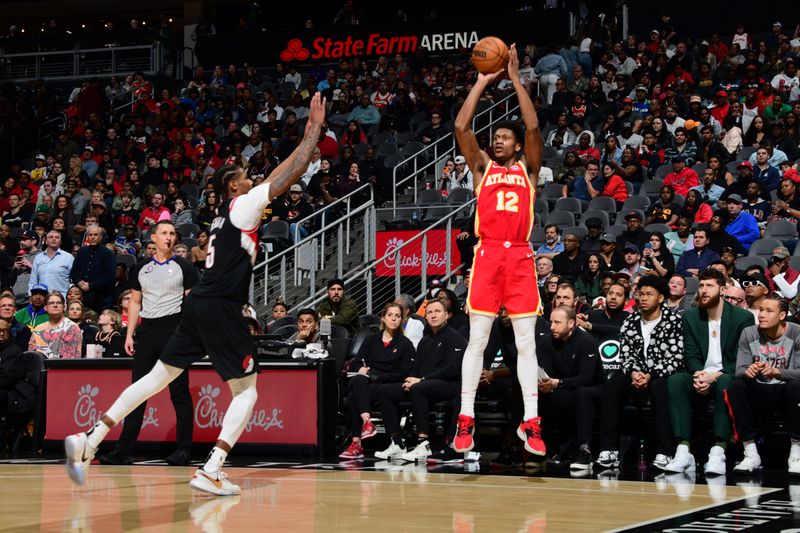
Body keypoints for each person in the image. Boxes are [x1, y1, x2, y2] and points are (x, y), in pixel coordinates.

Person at [64, 91, 327, 496]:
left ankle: (91, 438)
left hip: (197, 305)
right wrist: (312, 131)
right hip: (220, 306)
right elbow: (286, 174)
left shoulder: (225, 217)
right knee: (247, 389)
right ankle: (212, 467)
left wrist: (307, 138)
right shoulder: (242, 206)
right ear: (232, 185)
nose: (250, 176)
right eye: (243, 174)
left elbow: (278, 174)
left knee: (156, 378)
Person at [452, 44, 546, 457]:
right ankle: (466, 417)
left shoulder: (529, 170)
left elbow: (534, 129)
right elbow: (460, 128)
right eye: (497, 138)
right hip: (488, 254)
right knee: (478, 340)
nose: (501, 141)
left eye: (506, 137)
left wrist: (515, 80)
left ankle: (531, 421)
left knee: (527, 343)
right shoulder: (481, 169)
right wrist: (481, 81)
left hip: (521, 256)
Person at [97, 221, 198, 466]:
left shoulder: (184, 266)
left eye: (172, 233)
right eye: (164, 233)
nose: (168, 237)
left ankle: (184, 450)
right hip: (147, 331)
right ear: (153, 237)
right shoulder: (141, 268)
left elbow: (193, 303)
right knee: (137, 392)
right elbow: (135, 303)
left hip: (174, 331)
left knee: (179, 393)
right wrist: (130, 334)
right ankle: (123, 451)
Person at [663, 269, 754, 476]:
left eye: (709, 286)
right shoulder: (690, 317)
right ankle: (683, 450)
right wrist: (698, 375)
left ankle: (718, 451)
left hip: (726, 374)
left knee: (725, 384)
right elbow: (691, 353)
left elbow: (739, 358)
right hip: (701, 374)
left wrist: (715, 375)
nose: (703, 290)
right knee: (676, 380)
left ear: (722, 290)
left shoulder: (742, 318)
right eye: (701, 285)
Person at [595, 276, 684, 471]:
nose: (643, 298)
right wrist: (635, 372)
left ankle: (665, 451)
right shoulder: (631, 321)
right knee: (611, 387)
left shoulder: (674, 320)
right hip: (635, 373)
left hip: (661, 374)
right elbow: (625, 354)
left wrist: (650, 375)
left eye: (649, 294)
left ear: (660, 298)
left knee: (660, 388)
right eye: (640, 294)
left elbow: (675, 357)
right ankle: (609, 450)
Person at [374, 300, 466, 463]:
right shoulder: (425, 339)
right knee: (384, 391)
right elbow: (416, 366)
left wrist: (421, 380)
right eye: (429, 312)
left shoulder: (454, 337)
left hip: (449, 385)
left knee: (418, 389)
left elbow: (452, 369)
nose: (433, 315)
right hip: (425, 384)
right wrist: (411, 379)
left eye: (437, 311)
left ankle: (423, 443)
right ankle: (396, 442)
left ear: (446, 315)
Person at [726, 295, 800, 474]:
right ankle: (751, 453)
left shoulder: (796, 332)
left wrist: (778, 372)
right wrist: (749, 370)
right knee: (735, 385)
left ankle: (796, 453)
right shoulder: (749, 332)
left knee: (797, 386)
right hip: (759, 390)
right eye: (760, 310)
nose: (761, 315)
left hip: (785, 391)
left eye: (769, 311)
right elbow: (739, 369)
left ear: (782, 315)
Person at [340, 303, 415, 460]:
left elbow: (405, 373)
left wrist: (378, 377)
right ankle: (366, 422)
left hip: (387, 383)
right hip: (367, 380)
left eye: (397, 316)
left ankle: (356, 444)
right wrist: (361, 367)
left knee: (354, 394)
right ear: (383, 318)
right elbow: (356, 361)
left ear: (402, 319)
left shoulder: (405, 344)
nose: (393, 318)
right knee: (359, 379)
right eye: (390, 315)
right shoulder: (371, 339)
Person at [537, 306, 600, 469]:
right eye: (551, 322)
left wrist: (558, 383)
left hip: (594, 388)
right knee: (541, 394)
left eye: (557, 323)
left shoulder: (587, 341)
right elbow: (546, 372)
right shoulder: (546, 341)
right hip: (561, 386)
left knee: (582, 393)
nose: (552, 327)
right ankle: (549, 446)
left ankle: (584, 449)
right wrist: (547, 384)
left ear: (571, 323)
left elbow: (586, 378)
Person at [70, 225, 115, 311]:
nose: (93, 237)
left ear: (101, 237)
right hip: (82, 294)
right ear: (87, 237)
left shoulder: (108, 254)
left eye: (95, 235)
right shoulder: (81, 251)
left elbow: (109, 276)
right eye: (90, 235)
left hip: (101, 296)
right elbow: (74, 272)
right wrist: (79, 282)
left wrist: (90, 285)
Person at [28, 291, 82, 359]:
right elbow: (31, 356)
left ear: (64, 307)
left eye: (59, 303)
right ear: (45, 307)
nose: (55, 305)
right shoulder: (38, 329)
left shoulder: (72, 327)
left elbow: (73, 358)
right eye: (51, 303)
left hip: (62, 368)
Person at [29, 230, 73, 298]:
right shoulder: (38, 258)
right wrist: (31, 296)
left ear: (60, 242)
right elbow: (33, 280)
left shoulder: (68, 257)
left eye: (57, 237)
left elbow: (72, 281)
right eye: (51, 237)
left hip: (61, 299)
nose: (54, 239)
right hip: (42, 299)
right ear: (46, 241)